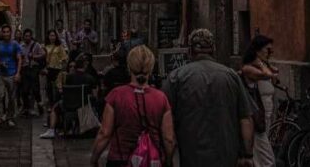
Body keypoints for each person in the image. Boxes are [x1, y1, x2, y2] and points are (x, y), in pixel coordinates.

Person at [164, 28, 255, 167]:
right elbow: (246, 119)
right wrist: (247, 155)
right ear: (214, 49)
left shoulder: (176, 78)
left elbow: (166, 123)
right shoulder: (231, 76)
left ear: (189, 51)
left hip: (190, 157)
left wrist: (169, 158)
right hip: (226, 157)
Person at [90, 45, 175, 167]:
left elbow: (105, 133)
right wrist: (168, 160)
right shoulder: (161, 98)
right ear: (150, 68)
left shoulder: (116, 95)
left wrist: (94, 159)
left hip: (119, 159)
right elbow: (168, 138)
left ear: (129, 67)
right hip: (151, 160)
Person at [242, 35, 279, 167]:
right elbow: (267, 75)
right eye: (267, 50)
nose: (270, 53)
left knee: (259, 157)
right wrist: (260, 63)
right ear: (257, 51)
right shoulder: (249, 68)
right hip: (255, 119)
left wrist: (266, 64)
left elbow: (274, 75)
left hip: (265, 117)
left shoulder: (262, 65)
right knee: (268, 161)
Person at [40, 54, 97, 139]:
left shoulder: (69, 77)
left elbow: (67, 91)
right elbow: (94, 95)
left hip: (68, 105)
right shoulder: (90, 78)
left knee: (55, 107)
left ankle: (51, 130)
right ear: (85, 65)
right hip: (83, 105)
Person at [0, 24, 23, 127]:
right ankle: (0, 117)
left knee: (11, 97)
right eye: (4, 32)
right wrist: (0, 63)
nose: (6, 34)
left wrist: (18, 73)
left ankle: (10, 117)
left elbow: (19, 59)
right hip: (0, 74)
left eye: (7, 32)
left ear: (10, 33)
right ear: (1, 33)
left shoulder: (15, 45)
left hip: (12, 73)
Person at [19, 29, 46, 116]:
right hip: (25, 68)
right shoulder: (21, 45)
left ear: (31, 36)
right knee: (25, 90)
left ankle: (39, 105)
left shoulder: (36, 45)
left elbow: (43, 54)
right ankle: (26, 108)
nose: (27, 38)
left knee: (35, 89)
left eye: (28, 36)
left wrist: (34, 56)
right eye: (25, 36)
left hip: (33, 68)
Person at [44, 29, 69, 108]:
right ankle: (50, 104)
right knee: (48, 87)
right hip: (49, 69)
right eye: (51, 35)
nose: (52, 37)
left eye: (54, 35)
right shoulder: (45, 46)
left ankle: (57, 104)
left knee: (57, 87)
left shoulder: (59, 47)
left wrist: (62, 65)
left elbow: (65, 57)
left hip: (57, 69)